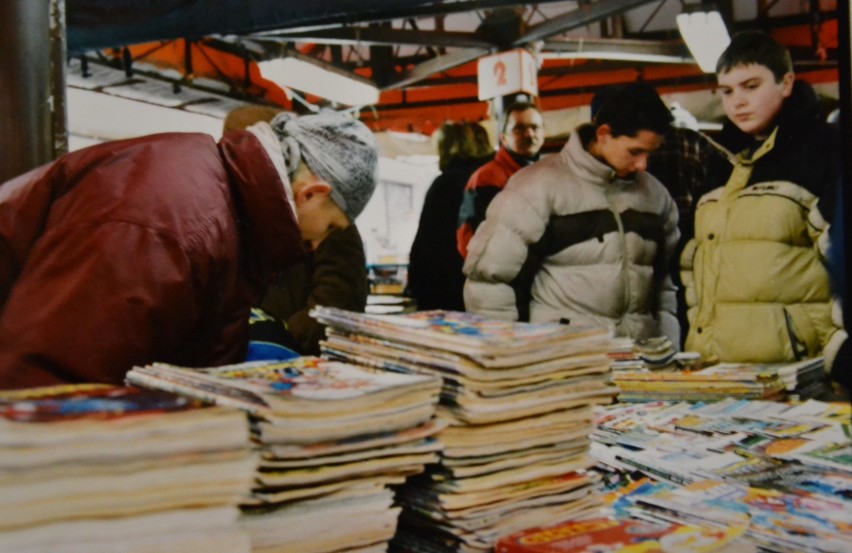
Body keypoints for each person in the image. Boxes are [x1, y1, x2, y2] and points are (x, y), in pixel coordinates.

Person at [0, 109, 378, 389]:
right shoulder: (173, 219)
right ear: (311, 193)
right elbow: (50, 379)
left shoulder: (229, 210)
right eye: (330, 226)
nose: (318, 244)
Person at [463, 82, 680, 345]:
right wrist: (510, 360)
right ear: (603, 133)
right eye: (634, 152)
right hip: (562, 361)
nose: (642, 164)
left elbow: (665, 285)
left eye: (649, 153)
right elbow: (490, 283)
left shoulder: (656, 196)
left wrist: (669, 348)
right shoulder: (535, 188)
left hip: (642, 365)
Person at [679, 31, 846, 371]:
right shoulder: (720, 161)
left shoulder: (827, 150)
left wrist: (838, 353)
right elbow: (692, 264)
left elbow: (842, 258)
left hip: (798, 374)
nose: (737, 101)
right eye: (727, 91)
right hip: (716, 374)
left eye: (750, 86)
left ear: (786, 83)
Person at [222, 106, 372, 358]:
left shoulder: (327, 215)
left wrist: (273, 339)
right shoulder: (239, 211)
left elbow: (337, 301)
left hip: (300, 359)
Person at [408, 121, 494, 311]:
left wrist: (415, 288)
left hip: (448, 292)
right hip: (491, 291)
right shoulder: (493, 180)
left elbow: (425, 247)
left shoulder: (445, 184)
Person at [456, 101, 544, 258]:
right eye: (519, 128)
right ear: (503, 138)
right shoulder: (487, 178)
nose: (529, 134)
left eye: (535, 127)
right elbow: (469, 240)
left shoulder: (547, 176)